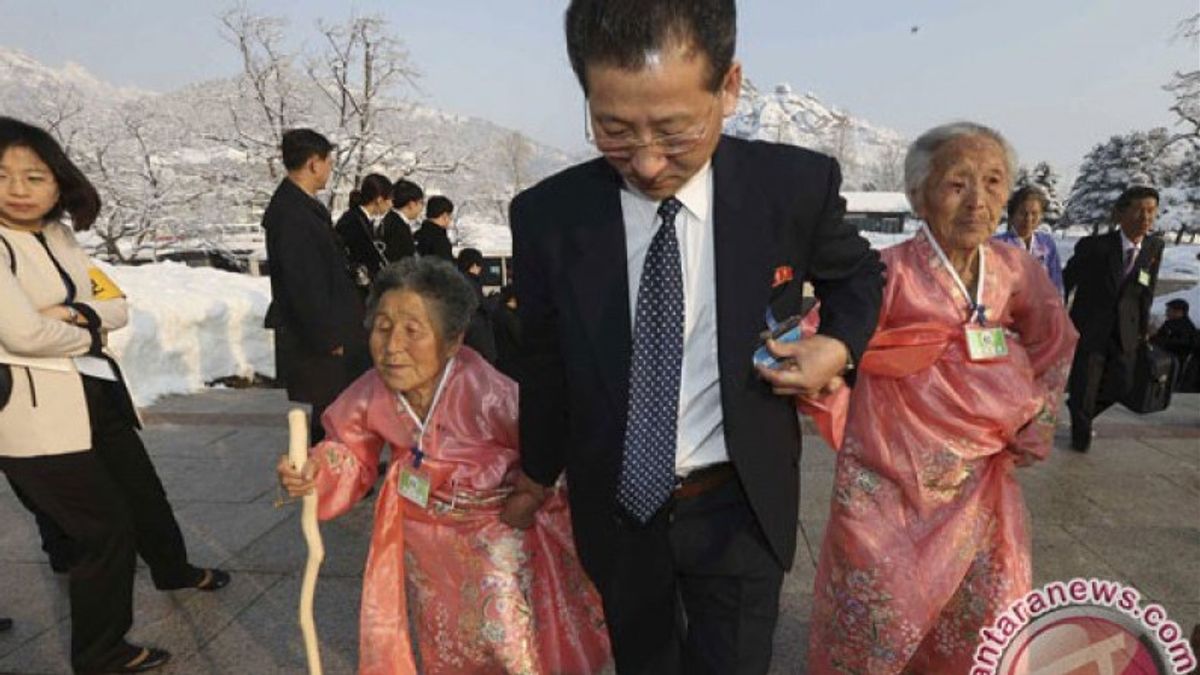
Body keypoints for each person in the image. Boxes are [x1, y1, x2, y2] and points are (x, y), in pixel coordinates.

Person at [504, 2, 885, 671]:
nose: (647, 163)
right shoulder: (548, 219)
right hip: (617, 507)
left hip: (739, 499)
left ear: (729, 86)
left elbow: (859, 276)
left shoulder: (790, 187)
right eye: (615, 129)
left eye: (675, 131)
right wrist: (536, 471)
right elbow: (545, 360)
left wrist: (840, 345)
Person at [797, 122, 1078, 674]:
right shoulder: (885, 271)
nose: (980, 201)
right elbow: (820, 337)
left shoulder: (1014, 269)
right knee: (881, 602)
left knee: (983, 600)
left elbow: (1055, 336)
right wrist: (827, 383)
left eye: (994, 182)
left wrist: (1037, 418)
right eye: (957, 184)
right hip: (889, 478)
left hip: (982, 477)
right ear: (918, 196)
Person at [277, 258, 611, 675]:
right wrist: (313, 473)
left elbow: (550, 447)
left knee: (510, 642)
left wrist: (532, 493)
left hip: (497, 536)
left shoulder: (486, 390)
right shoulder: (372, 391)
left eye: (412, 330)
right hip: (425, 542)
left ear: (453, 340)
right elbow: (349, 449)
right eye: (382, 327)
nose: (392, 345)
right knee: (443, 641)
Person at [0, 116, 230, 675]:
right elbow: (20, 333)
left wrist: (72, 315)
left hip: (94, 394)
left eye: (35, 177)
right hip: (34, 411)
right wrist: (88, 330)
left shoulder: (59, 236)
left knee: (143, 495)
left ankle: (172, 568)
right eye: (3, 176)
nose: (18, 190)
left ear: (59, 183)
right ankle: (100, 651)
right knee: (103, 529)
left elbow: (117, 303)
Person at [262, 129, 370, 443]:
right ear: (313, 163)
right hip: (321, 336)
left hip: (331, 329)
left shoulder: (301, 207)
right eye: (328, 163)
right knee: (329, 411)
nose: (329, 170)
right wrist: (327, 338)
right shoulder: (292, 214)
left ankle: (341, 468)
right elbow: (303, 283)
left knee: (334, 409)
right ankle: (329, 476)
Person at [1063, 185, 1163, 451]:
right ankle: (1080, 438)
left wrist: (1143, 329)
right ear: (1120, 214)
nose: (1145, 218)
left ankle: (1080, 409)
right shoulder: (1094, 246)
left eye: (1151, 212)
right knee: (1086, 385)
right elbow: (1066, 281)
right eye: (1139, 210)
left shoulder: (1153, 247)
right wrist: (1058, 317)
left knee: (1122, 384)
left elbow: (1147, 289)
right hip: (1091, 327)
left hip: (1126, 330)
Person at [993, 185, 1064, 292]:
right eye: (1023, 213)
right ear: (1012, 215)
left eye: (1034, 213)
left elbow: (1056, 283)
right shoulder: (997, 245)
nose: (1028, 219)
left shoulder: (1046, 243)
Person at [335, 173, 393, 298]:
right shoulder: (352, 222)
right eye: (389, 199)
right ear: (379, 199)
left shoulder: (362, 220)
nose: (391, 204)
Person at [454, 247, 499, 362]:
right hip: (477, 336)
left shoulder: (456, 281)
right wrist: (495, 298)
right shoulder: (471, 283)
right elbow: (487, 307)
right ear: (474, 265)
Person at [1152, 298, 1198, 390]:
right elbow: (1158, 337)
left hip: (1176, 361)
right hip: (1162, 358)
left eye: (1169, 310)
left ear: (1179, 312)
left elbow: (1185, 343)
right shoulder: (1169, 323)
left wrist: (1165, 341)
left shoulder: (1186, 326)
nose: (1167, 313)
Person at [375, 178, 421, 262]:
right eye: (421, 203)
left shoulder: (391, 220)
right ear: (411, 204)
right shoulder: (398, 227)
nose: (421, 208)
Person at [490, 285, 522, 381]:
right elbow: (519, 337)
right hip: (511, 359)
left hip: (500, 357)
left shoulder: (497, 312)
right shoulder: (510, 317)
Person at [414, 195, 454, 261]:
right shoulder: (440, 239)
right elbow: (445, 266)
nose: (450, 219)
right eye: (450, 215)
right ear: (444, 215)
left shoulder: (417, 235)